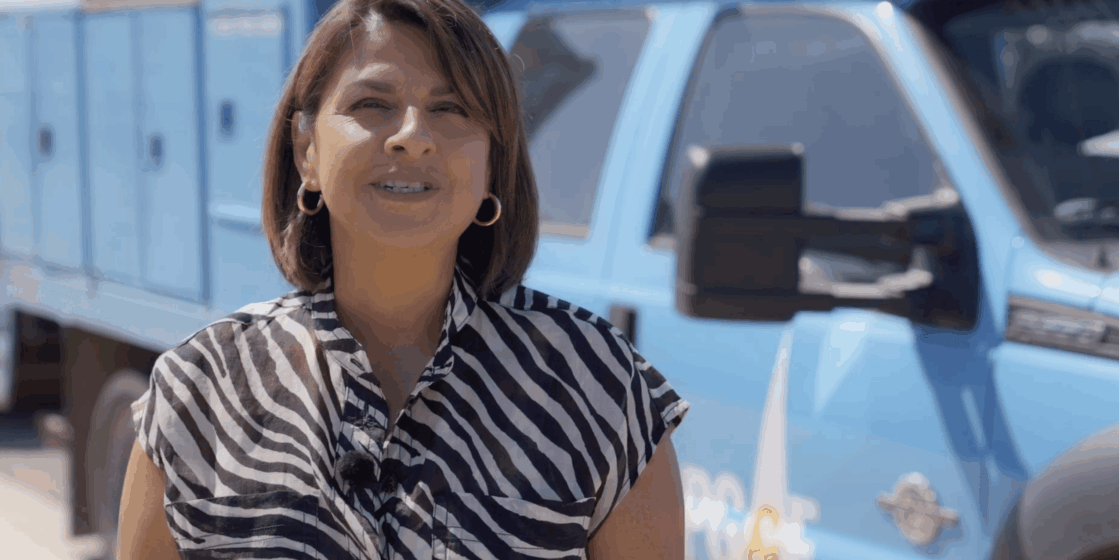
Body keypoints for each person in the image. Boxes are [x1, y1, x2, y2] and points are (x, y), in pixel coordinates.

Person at [114, 0, 689, 557]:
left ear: (493, 162)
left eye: (451, 108)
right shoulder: (197, 392)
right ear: (306, 150)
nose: (412, 134)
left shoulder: (598, 389)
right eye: (372, 104)